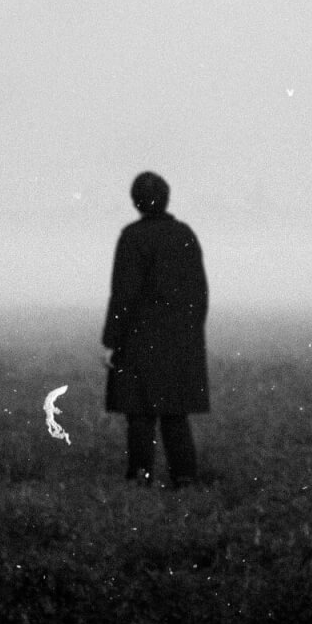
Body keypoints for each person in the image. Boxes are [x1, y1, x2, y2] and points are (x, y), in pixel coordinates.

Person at [101, 171, 209, 486]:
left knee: (140, 413)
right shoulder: (185, 235)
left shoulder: (131, 237)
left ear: (135, 201)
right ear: (166, 197)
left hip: (139, 339)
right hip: (180, 338)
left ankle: (140, 475)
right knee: (176, 413)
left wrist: (112, 341)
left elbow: (123, 295)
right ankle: (185, 477)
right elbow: (200, 292)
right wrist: (191, 331)